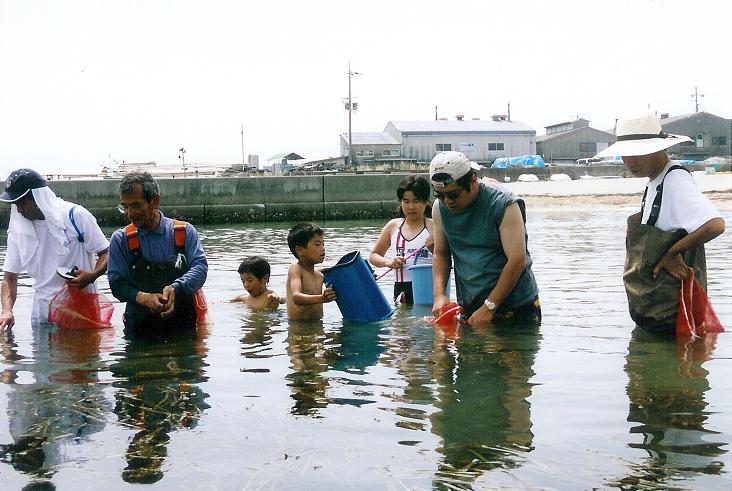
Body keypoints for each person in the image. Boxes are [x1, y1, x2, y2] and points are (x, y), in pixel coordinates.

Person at [594, 113, 725, 330]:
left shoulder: (675, 180)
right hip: (654, 311)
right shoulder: (655, 181)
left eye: (637, 153)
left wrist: (673, 252)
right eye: (625, 155)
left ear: (659, 148)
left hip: (672, 316)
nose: (629, 162)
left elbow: (715, 225)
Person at [429, 151, 540, 326]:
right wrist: (439, 295)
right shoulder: (439, 208)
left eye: (453, 195)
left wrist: (489, 307)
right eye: (440, 195)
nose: (447, 201)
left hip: (515, 306)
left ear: (473, 182)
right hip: (471, 305)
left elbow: (517, 261)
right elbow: (441, 253)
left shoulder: (504, 204)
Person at [0, 168, 109, 328]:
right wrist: (7, 311)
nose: (19, 210)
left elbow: (106, 252)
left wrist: (92, 275)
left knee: (85, 351)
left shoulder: (76, 216)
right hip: (42, 314)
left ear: (38, 198)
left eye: (22, 203)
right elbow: (10, 277)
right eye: (15, 204)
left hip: (80, 312)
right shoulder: (18, 230)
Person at [107, 171, 208, 331]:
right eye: (125, 206)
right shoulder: (121, 239)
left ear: (155, 201)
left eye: (136, 205)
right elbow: (116, 283)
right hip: (139, 331)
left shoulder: (184, 232)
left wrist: (176, 288)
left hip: (183, 327)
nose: (130, 213)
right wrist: (142, 297)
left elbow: (200, 268)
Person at [369, 175, 434, 304]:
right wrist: (389, 262)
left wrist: (434, 249)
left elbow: (447, 258)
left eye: (416, 201)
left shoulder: (434, 226)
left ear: (426, 201)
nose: (411, 207)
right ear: (400, 201)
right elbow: (374, 256)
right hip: (400, 290)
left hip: (428, 288)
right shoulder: (393, 226)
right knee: (402, 323)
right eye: (406, 201)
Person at [285, 223, 336, 320]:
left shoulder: (320, 275)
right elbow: (296, 297)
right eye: (317, 244)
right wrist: (322, 298)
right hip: (297, 328)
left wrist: (366, 277)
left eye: (323, 244)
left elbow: (343, 274)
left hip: (318, 325)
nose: (323, 248)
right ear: (300, 250)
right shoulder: (296, 269)